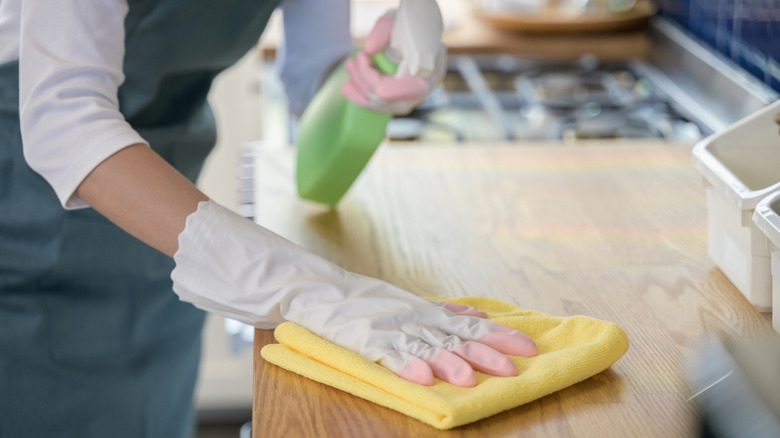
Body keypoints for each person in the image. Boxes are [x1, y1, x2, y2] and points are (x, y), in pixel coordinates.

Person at [0, 1, 537, 436]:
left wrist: (374, 81)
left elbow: (313, 85)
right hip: (26, 216)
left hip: (167, 224)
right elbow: (64, 121)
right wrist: (298, 282)